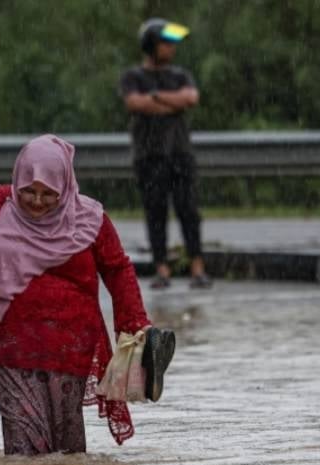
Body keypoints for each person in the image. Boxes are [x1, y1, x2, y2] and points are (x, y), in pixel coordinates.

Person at [0, 134, 173, 455]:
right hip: (7, 347)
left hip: (68, 347)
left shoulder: (89, 218)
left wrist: (135, 324)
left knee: (65, 445)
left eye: (49, 194)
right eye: (29, 191)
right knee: (24, 441)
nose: (38, 201)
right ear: (16, 183)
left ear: (66, 187)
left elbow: (117, 269)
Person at [120, 18, 212, 289]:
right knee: (155, 211)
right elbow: (136, 103)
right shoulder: (133, 77)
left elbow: (191, 98)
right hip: (149, 155)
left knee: (189, 210)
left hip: (180, 153)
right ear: (151, 45)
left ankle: (197, 267)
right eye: (165, 43)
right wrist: (174, 102)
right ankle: (162, 269)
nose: (171, 48)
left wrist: (157, 98)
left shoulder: (180, 74)